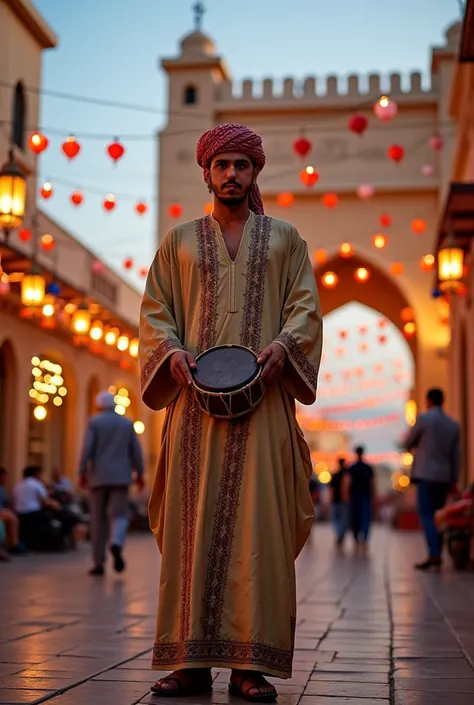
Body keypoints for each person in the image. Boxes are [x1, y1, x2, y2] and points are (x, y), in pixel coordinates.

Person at [140, 122, 322, 700]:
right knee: (191, 528)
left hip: (264, 408)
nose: (232, 175)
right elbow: (155, 312)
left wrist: (283, 348)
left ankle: (252, 665)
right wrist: (169, 353)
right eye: (222, 166)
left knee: (259, 531)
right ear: (207, 173)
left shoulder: (286, 239)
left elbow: (305, 310)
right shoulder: (179, 241)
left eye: (242, 165)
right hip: (194, 411)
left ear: (256, 172)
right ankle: (189, 661)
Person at [78, 390, 145, 576]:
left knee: (98, 520)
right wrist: (140, 473)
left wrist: (82, 471)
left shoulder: (94, 422)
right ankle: (116, 542)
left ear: (99, 406)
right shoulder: (126, 423)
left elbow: (87, 449)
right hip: (121, 477)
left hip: (98, 477)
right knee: (119, 515)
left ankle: (98, 564)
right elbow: (136, 450)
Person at [404, 387, 460, 571]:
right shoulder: (453, 424)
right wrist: (454, 479)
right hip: (444, 477)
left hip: (426, 475)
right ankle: (436, 552)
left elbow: (407, 443)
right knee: (439, 515)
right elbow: (456, 456)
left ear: (428, 401)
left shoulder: (424, 419)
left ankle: (435, 554)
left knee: (427, 515)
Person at [13, 466, 64, 550]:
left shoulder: (17, 485)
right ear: (36, 474)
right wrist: (57, 506)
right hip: (34, 514)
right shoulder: (36, 484)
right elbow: (45, 502)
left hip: (20, 514)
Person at [348, 446, 375, 551]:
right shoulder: (368, 468)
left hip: (354, 496)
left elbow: (348, 482)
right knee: (365, 518)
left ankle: (356, 537)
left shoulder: (352, 467)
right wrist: (374, 495)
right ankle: (364, 538)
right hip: (366, 495)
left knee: (355, 517)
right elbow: (372, 483)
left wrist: (346, 495)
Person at [0, 467, 26, 555]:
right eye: (4, 476)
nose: (6, 479)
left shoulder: (2, 488)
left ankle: (11, 544)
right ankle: (13, 544)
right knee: (11, 517)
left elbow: (6, 502)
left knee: (11, 516)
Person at [330, 457, 349, 547]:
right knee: (344, 519)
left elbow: (331, 489)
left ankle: (339, 533)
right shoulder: (347, 475)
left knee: (336, 518)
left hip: (336, 500)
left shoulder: (335, 475)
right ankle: (341, 534)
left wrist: (331, 498)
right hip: (344, 501)